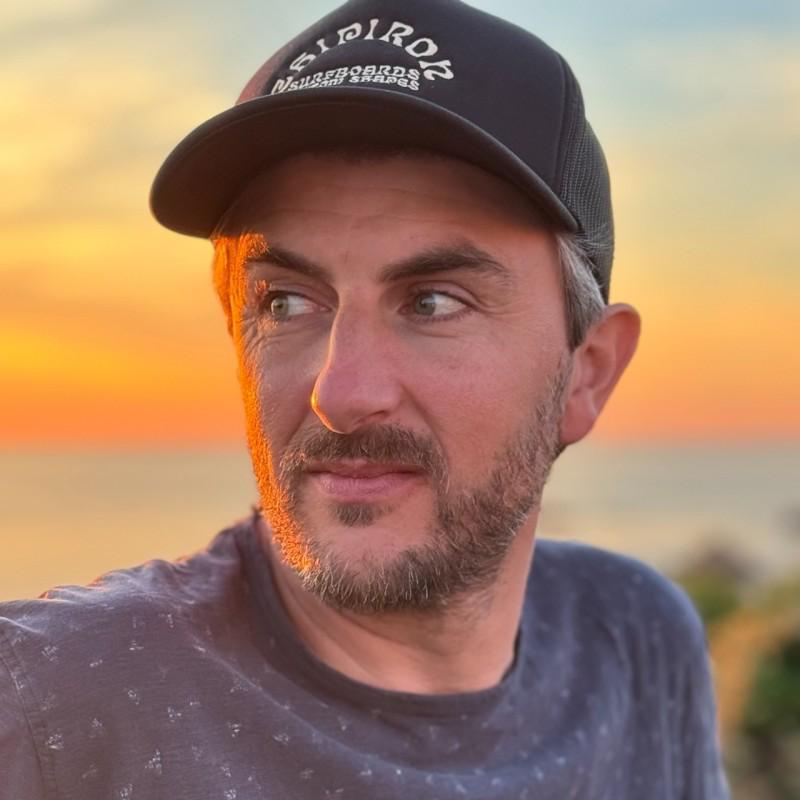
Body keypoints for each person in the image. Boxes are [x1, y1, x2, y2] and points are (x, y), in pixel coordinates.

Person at [0, 0, 731, 797]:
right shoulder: (48, 701)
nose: (341, 395)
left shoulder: (635, 639)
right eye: (286, 302)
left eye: (433, 302)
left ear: (587, 373)